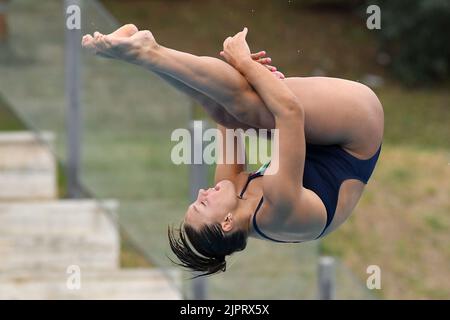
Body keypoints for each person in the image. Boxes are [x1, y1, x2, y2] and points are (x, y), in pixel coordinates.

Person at [82, 24, 383, 277]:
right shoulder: (278, 208)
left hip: (317, 141)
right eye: (202, 205)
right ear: (227, 223)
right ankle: (146, 50)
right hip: (357, 132)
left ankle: (142, 53)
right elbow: (290, 112)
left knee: (230, 112)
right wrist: (246, 64)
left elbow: (224, 114)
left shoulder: (232, 192)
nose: (201, 193)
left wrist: (248, 77)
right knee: (252, 108)